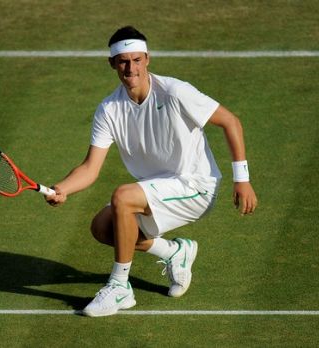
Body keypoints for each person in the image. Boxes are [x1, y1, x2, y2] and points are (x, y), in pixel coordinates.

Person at [46, 26, 257, 317]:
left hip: (196, 186)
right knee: (102, 227)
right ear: (112, 64)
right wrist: (64, 188)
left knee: (122, 196)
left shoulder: (175, 92)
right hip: (156, 188)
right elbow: (90, 167)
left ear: (147, 59)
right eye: (123, 61)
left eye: (136, 60)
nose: (130, 67)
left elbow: (230, 121)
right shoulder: (109, 109)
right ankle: (174, 253)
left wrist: (242, 179)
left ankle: (120, 287)